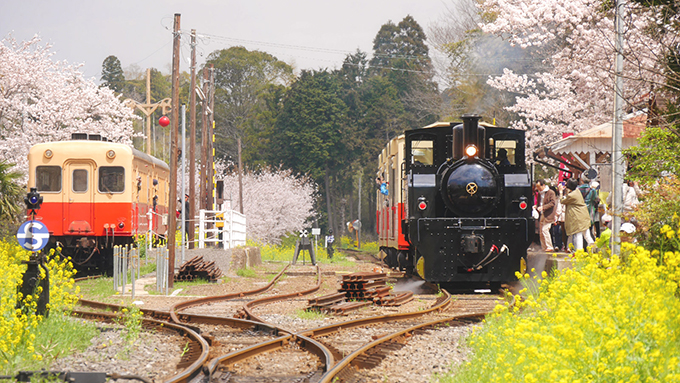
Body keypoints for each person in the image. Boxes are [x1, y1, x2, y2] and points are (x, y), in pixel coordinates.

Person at [558, 178, 594, 251]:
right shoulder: (577, 192)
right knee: (587, 235)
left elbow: (562, 201)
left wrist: (561, 191)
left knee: (578, 234)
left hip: (578, 217)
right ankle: (594, 249)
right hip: (583, 216)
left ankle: (579, 252)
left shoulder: (572, 195)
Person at [535, 179, 557, 252]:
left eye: (539, 187)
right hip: (541, 214)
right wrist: (536, 206)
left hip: (549, 214)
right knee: (541, 232)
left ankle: (549, 246)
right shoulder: (539, 193)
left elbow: (553, 203)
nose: (538, 189)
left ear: (543, 185)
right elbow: (540, 203)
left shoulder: (551, 192)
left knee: (545, 230)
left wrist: (543, 207)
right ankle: (544, 247)